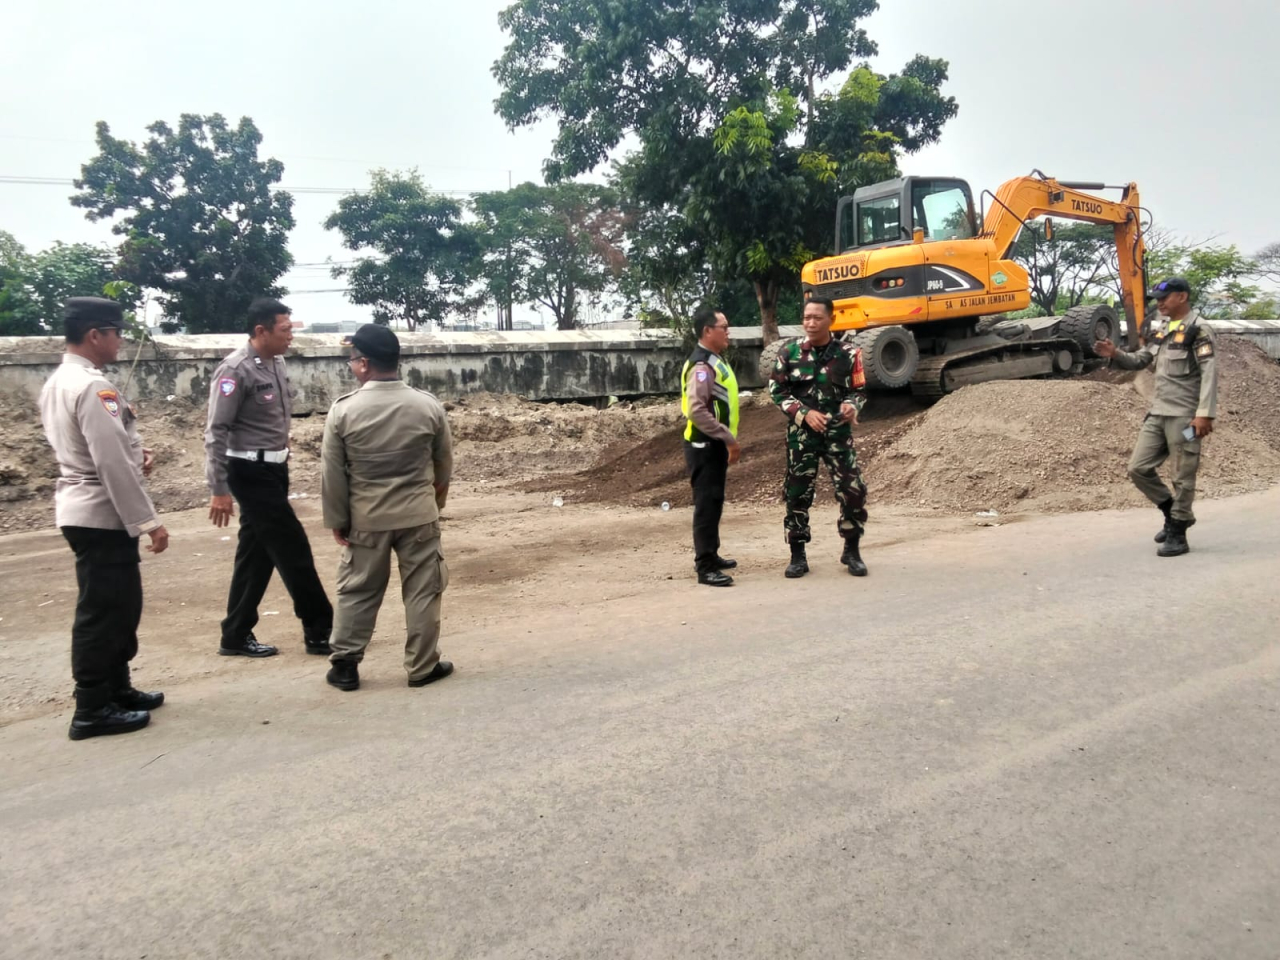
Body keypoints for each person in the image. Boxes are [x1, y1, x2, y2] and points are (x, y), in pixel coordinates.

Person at [39, 297, 169, 741]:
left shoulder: (59, 381)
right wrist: (148, 521)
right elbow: (110, 463)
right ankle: (92, 707)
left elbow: (98, 447)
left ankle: (117, 689)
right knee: (103, 611)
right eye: (116, 333)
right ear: (95, 335)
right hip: (100, 511)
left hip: (84, 507)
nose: (120, 341)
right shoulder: (93, 388)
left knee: (119, 605)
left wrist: (136, 452)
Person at [320, 324, 455, 691]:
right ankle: (422, 666)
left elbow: (332, 475)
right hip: (418, 515)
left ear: (364, 363)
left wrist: (338, 520)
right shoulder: (428, 406)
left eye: (352, 360)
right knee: (423, 591)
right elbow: (443, 465)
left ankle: (345, 666)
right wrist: (432, 505)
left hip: (367, 519)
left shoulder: (343, 411)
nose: (351, 366)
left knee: (358, 590)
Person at [205, 298, 333, 657]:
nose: (291, 336)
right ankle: (320, 629)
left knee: (257, 553)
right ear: (261, 330)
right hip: (248, 470)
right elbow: (216, 431)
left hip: (275, 468)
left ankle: (235, 633)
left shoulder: (276, 363)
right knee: (293, 547)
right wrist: (218, 488)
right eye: (285, 329)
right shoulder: (235, 370)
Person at [1094, 277, 1218, 557]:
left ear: (1182, 297)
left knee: (1182, 474)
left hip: (1185, 418)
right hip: (1158, 413)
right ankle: (1173, 512)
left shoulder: (1199, 330)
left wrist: (1204, 415)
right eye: (1157, 300)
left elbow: (1210, 373)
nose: (1159, 303)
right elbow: (1142, 360)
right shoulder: (1162, 328)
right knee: (1138, 468)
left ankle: (1178, 533)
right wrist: (1116, 353)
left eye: (1164, 298)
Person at [769, 296, 869, 578]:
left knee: (853, 490)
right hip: (802, 436)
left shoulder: (849, 354)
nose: (810, 323)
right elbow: (777, 391)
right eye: (806, 318)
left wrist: (852, 405)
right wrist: (804, 413)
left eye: (817, 318)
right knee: (797, 493)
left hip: (838, 433)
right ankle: (797, 555)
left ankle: (852, 550)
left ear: (831, 320)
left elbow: (859, 390)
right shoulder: (788, 352)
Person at [680, 306, 742, 587]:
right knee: (706, 505)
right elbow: (696, 410)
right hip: (704, 445)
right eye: (723, 327)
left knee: (714, 501)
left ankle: (712, 554)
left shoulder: (713, 359)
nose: (728, 332)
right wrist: (727, 437)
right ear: (707, 331)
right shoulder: (702, 366)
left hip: (712, 445)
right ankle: (705, 567)